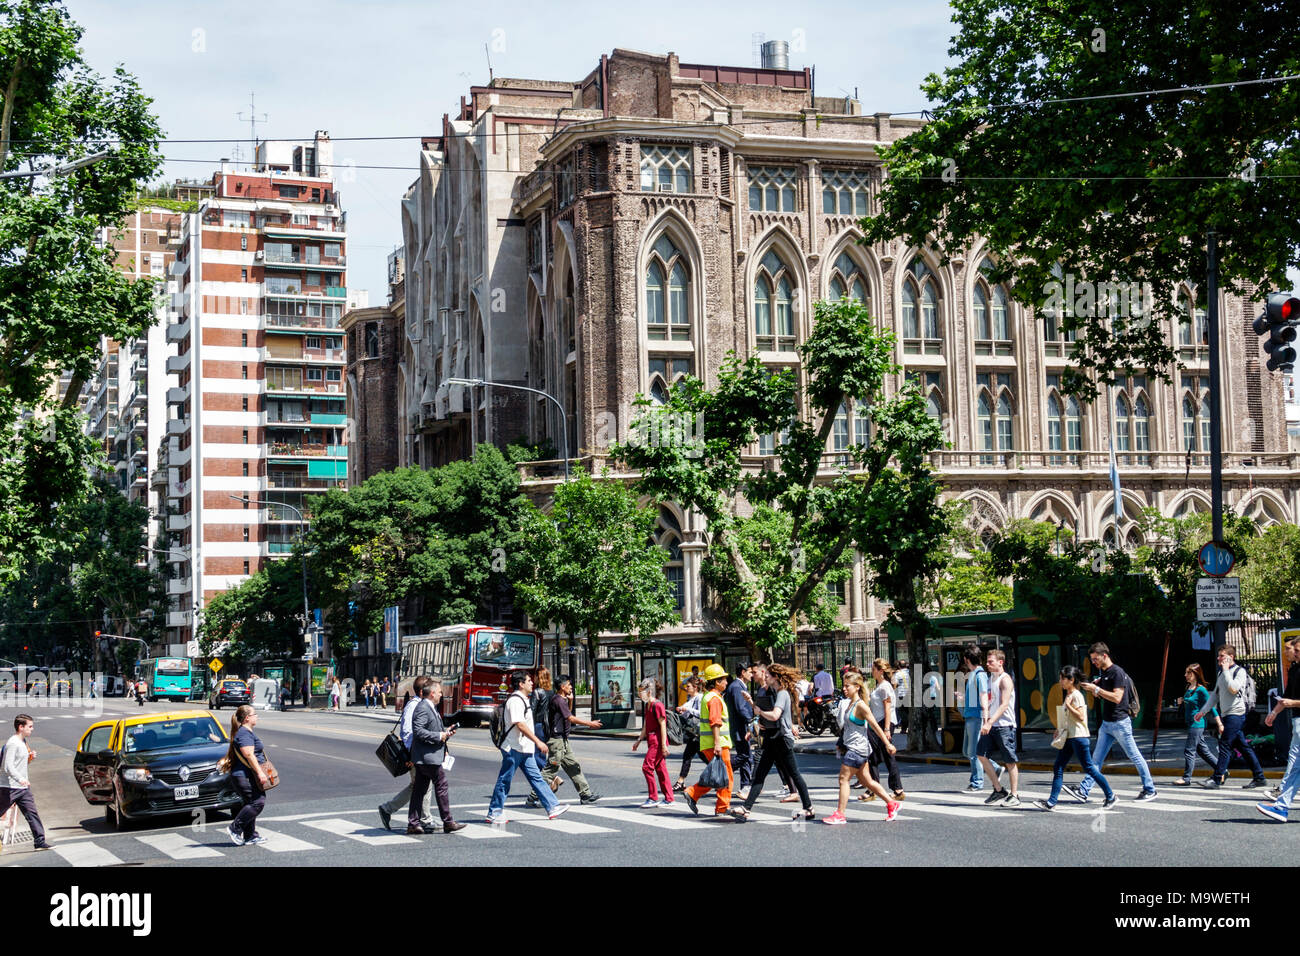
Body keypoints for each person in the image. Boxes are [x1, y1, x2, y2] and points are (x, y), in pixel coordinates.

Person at [1062, 643, 1157, 803]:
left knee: (1134, 756)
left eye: (1095, 659)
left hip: (1120, 723)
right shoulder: (1105, 673)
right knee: (1096, 760)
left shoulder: (1117, 672)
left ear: (1104, 655)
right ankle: (1084, 791)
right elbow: (1106, 696)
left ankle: (1150, 789)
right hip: (1107, 724)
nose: (1093, 662)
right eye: (1092, 659)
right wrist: (1095, 689)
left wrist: (1097, 689)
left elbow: (1117, 697)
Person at [733, 663, 814, 822]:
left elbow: (776, 715)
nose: (766, 676)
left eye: (768, 675)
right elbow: (766, 713)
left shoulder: (782, 693)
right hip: (773, 738)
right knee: (760, 775)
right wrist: (752, 704)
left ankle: (809, 808)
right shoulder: (775, 692)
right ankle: (746, 808)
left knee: (794, 774)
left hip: (782, 739)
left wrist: (760, 712)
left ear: (775, 677)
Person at [486, 672, 568, 823]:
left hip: (524, 748)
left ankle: (552, 806)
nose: (532, 683)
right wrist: (538, 741)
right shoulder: (515, 700)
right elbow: (520, 724)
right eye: (529, 681)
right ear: (521, 684)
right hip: (514, 747)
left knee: (537, 778)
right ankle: (494, 812)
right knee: (505, 780)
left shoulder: (524, 699)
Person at [1034, 666, 1117, 811]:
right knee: (1058, 767)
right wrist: (1058, 729)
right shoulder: (1068, 694)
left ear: (1071, 680)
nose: (1060, 681)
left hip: (1079, 737)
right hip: (1069, 736)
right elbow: (1068, 717)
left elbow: (1081, 716)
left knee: (1089, 768)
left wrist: (1069, 706)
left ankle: (1111, 796)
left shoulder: (1077, 695)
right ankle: (1051, 802)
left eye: (1062, 679)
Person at [825, 672, 899, 824]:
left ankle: (840, 814)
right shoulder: (850, 703)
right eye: (843, 686)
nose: (844, 689)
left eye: (847, 686)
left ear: (857, 687)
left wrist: (887, 743)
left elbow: (874, 726)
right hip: (855, 747)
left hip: (857, 749)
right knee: (867, 782)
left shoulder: (861, 706)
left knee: (843, 779)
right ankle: (892, 803)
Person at [1194, 644, 1267, 790]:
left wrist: (1226, 670)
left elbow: (1233, 689)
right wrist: (1203, 711)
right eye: (1219, 655)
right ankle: (1259, 777)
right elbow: (1214, 695)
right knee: (1243, 747)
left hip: (1237, 713)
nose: (1218, 658)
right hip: (1227, 714)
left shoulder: (1239, 672)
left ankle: (1217, 779)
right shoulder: (1222, 674)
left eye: (1222, 656)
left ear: (1231, 657)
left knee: (1225, 744)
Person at [406, 677, 466, 834]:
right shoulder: (422, 708)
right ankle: (448, 821)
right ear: (432, 693)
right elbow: (418, 731)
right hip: (427, 757)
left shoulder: (430, 707)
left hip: (427, 756)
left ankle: (413, 823)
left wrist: (446, 732)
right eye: (440, 692)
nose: (442, 695)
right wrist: (439, 736)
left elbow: (430, 729)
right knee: (441, 784)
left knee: (419, 789)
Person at [378, 684, 437, 832]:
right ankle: (425, 820)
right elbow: (408, 732)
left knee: (418, 785)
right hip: (415, 753)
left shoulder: (419, 705)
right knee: (423, 785)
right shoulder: (414, 706)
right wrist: (412, 754)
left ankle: (388, 809)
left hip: (418, 752)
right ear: (423, 691)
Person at [540, 674, 602, 806]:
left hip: (563, 740)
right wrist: (589, 724)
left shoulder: (561, 700)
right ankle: (534, 796)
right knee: (551, 770)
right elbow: (571, 718)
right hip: (556, 741)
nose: (571, 687)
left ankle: (585, 794)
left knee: (574, 766)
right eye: (569, 685)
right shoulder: (558, 700)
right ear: (562, 687)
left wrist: (571, 701)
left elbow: (567, 714)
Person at [1257, 634, 1300, 821]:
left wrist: (1292, 703)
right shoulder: (1295, 669)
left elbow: (1290, 699)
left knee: (1295, 765)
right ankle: (1281, 806)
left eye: (1297, 650)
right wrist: (1274, 712)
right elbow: (1286, 696)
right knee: (1295, 765)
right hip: (1298, 722)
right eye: (1295, 650)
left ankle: (1281, 806)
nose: (1294, 653)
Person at [684, 664, 734, 817]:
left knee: (716, 775)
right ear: (717, 682)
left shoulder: (709, 696)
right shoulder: (714, 699)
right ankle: (722, 807)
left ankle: (693, 793)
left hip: (709, 743)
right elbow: (715, 722)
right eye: (724, 679)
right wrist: (718, 744)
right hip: (717, 744)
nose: (726, 682)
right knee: (726, 776)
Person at [0, 714, 52, 850]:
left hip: (22, 789)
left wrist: (30, 757)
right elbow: (7, 766)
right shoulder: (13, 743)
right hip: (8, 787)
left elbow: (18, 764)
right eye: (30, 726)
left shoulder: (23, 742)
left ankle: (39, 842)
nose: (32, 729)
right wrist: (20, 779)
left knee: (32, 813)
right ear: (20, 727)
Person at [976, 649, 1020, 807]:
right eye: (987, 662)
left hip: (1004, 725)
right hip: (992, 724)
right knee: (981, 754)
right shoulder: (990, 679)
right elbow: (989, 701)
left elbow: (1004, 705)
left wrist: (989, 722)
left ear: (1000, 662)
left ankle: (1015, 795)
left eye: (990, 662)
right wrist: (986, 720)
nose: (987, 664)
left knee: (1009, 760)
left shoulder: (1005, 680)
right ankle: (998, 789)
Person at [226, 705, 270, 846]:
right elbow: (249, 755)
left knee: (251, 802)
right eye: (254, 714)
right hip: (244, 775)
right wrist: (260, 773)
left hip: (244, 774)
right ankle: (235, 828)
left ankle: (250, 835)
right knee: (258, 802)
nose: (257, 716)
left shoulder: (246, 732)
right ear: (247, 718)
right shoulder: (244, 733)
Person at [959, 646, 1000, 793]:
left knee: (974, 752)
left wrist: (985, 717)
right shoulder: (974, 674)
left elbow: (984, 695)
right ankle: (995, 768)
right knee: (967, 751)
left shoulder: (979, 675)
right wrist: (963, 697)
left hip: (976, 717)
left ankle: (977, 783)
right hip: (970, 715)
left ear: (966, 659)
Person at [1173, 663, 1220, 785]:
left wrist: (1219, 723)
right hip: (1190, 723)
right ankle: (1222, 770)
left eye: (1189, 673)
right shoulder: (1188, 688)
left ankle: (1186, 778)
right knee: (1203, 751)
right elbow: (1187, 705)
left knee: (1189, 750)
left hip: (1197, 724)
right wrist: (1180, 702)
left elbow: (1211, 707)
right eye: (1186, 673)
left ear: (1196, 674)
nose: (1186, 675)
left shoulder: (1201, 690)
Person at [866, 659, 906, 802]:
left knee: (887, 756)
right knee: (873, 756)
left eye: (873, 669)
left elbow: (887, 708)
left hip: (884, 723)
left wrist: (887, 729)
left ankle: (897, 789)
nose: (872, 671)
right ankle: (873, 788)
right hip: (878, 723)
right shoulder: (880, 686)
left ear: (880, 671)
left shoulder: (884, 687)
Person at [633, 678, 672, 807]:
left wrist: (663, 745)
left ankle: (653, 797)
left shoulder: (657, 705)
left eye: (641, 691)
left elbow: (663, 725)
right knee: (660, 769)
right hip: (651, 740)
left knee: (647, 767)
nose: (640, 694)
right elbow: (646, 725)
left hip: (657, 741)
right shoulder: (648, 705)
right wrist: (639, 740)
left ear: (649, 692)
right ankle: (669, 798)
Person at [524, 667, 555, 808]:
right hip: (548, 727)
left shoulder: (537, 692)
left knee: (536, 757)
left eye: (534, 676)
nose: (533, 679)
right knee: (542, 755)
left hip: (537, 725)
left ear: (538, 677)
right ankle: (549, 779)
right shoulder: (552, 692)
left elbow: (531, 711)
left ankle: (550, 779)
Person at [723, 662, 756, 795]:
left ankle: (745, 786)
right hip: (740, 728)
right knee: (744, 756)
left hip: (741, 727)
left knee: (747, 757)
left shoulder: (739, 686)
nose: (752, 675)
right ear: (742, 672)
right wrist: (751, 721)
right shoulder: (737, 687)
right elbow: (740, 708)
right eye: (750, 672)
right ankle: (724, 772)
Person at [672, 677, 703, 792]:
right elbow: (687, 710)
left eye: (688, 686)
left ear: (695, 687)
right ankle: (681, 781)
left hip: (698, 733)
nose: (686, 688)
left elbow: (701, 713)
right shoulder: (691, 698)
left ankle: (680, 781)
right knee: (696, 756)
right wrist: (681, 710)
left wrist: (687, 710)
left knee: (688, 756)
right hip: (693, 732)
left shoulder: (700, 698)